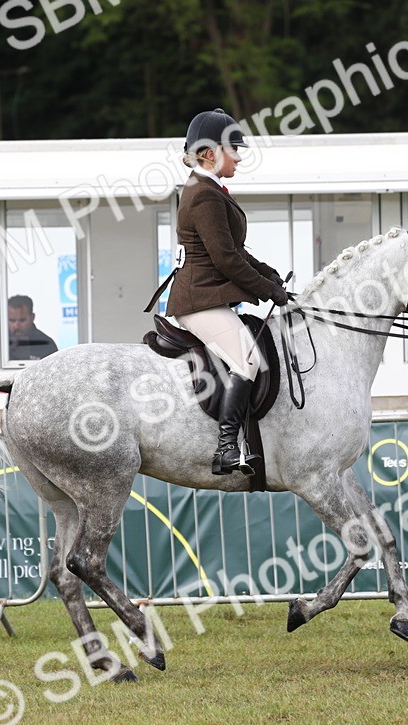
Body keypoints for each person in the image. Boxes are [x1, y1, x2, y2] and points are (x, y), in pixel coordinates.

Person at [165, 108, 290, 475]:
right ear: (209, 153)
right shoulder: (203, 195)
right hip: (199, 298)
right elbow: (225, 261)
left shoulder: (209, 189)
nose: (238, 155)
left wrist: (269, 274)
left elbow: (234, 251)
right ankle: (226, 448)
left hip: (208, 294)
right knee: (248, 359)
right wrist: (268, 290)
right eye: (233, 148)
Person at [7, 295, 58, 360]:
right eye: (12, 320)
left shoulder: (47, 344)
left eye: (22, 320)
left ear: (32, 317)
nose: (16, 326)